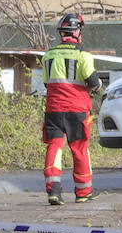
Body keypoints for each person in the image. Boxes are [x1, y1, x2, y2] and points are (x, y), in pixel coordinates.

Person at [42, 13, 101, 206]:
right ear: (77, 33)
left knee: (54, 146)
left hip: (53, 109)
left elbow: (46, 83)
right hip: (77, 109)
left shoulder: (48, 56)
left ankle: (54, 191)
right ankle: (83, 192)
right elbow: (93, 82)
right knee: (79, 149)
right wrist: (96, 88)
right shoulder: (82, 55)